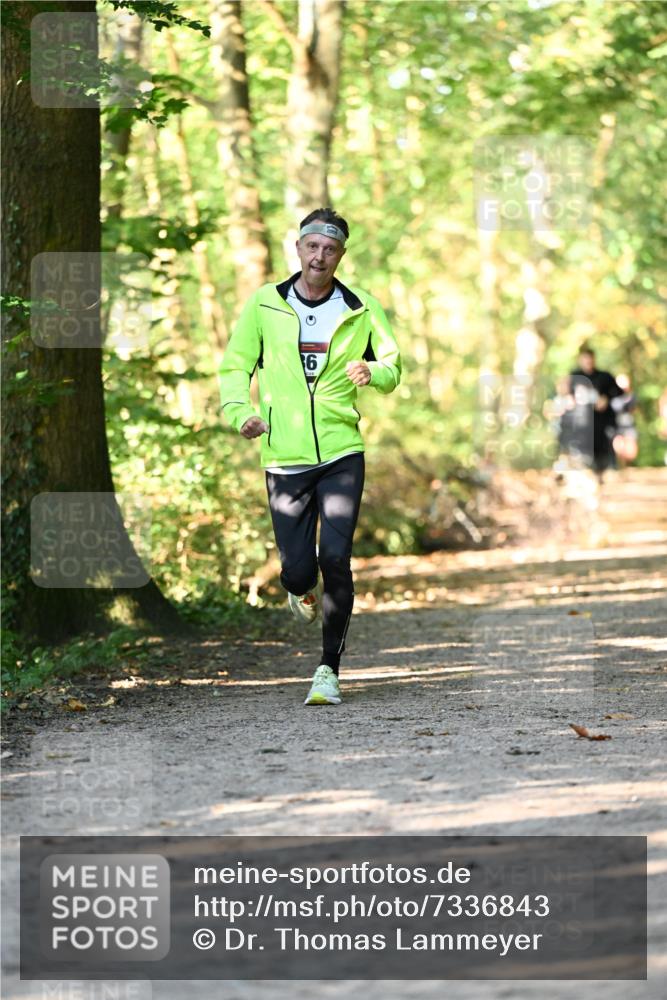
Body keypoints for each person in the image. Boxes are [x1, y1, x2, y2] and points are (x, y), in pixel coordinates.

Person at [218, 208, 401, 706]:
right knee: (299, 571)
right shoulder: (264, 305)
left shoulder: (359, 308)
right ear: (297, 249)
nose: (320, 256)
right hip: (285, 456)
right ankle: (300, 590)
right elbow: (235, 366)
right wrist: (241, 413)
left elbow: (391, 362)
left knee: (335, 559)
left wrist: (373, 373)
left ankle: (328, 671)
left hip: (342, 450)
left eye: (331, 249)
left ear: (341, 255)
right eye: (312, 246)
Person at [568, 346, 623, 481]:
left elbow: (618, 392)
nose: (588, 361)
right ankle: (589, 475)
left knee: (603, 447)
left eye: (590, 358)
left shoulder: (605, 376)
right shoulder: (574, 376)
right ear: (580, 360)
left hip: (603, 421)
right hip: (584, 421)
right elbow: (568, 395)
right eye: (585, 359)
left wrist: (606, 398)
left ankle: (602, 474)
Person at [611, 373, 638, 466]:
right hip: (617, 425)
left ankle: (627, 465)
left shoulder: (632, 396)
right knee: (618, 446)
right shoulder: (612, 395)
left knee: (630, 450)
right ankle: (621, 466)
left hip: (629, 425)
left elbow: (633, 409)